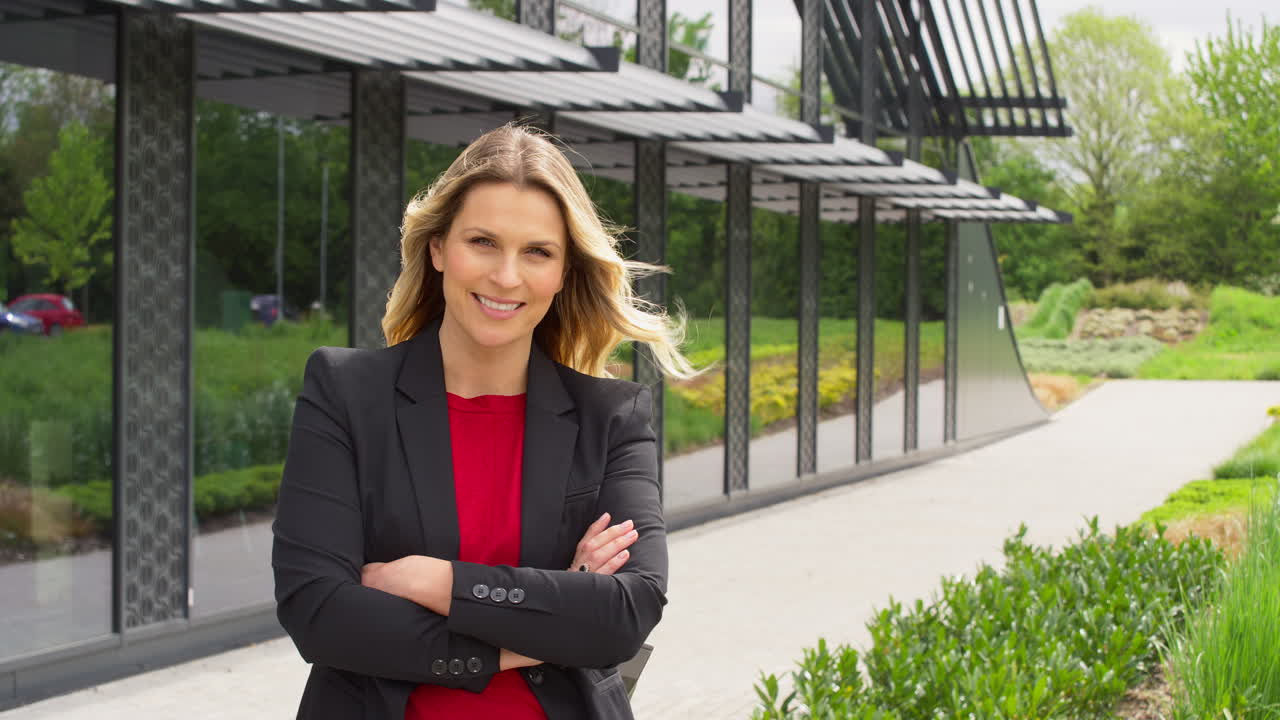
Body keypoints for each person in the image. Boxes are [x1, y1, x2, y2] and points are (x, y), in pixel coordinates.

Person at [272, 124, 695, 720]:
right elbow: (319, 614)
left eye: (537, 252)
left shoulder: (613, 417)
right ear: (439, 248)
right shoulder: (346, 393)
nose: (506, 276)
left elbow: (625, 614)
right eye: (483, 242)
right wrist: (545, 621)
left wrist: (439, 581)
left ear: (564, 271)